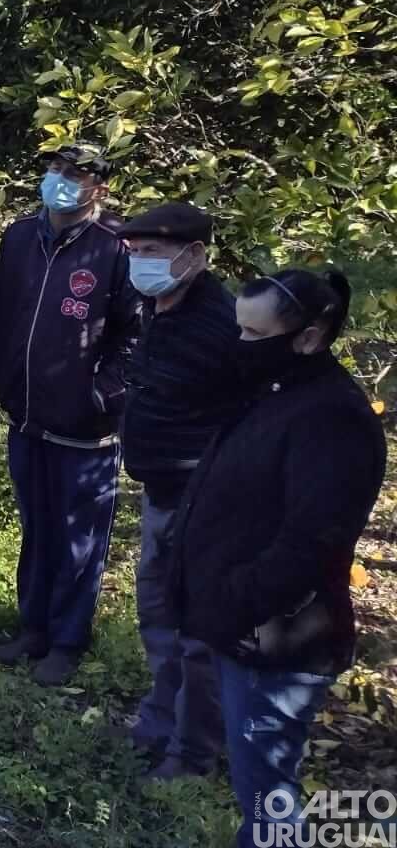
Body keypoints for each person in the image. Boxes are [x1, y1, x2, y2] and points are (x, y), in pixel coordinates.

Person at [172, 269, 383, 845]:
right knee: (258, 787)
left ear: (309, 338)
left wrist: (237, 607)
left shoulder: (332, 418)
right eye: (237, 329)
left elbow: (310, 544)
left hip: (276, 641)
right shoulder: (274, 390)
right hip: (243, 627)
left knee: (268, 797)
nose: (239, 345)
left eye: (254, 334)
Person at [0, 144, 138, 685]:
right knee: (37, 527)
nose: (61, 180)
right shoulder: (19, 237)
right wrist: (2, 373)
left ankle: (68, 640)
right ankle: (34, 627)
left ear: (99, 187)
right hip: (26, 413)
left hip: (84, 426)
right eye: (54, 168)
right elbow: (1, 311)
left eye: (75, 174)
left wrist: (99, 396)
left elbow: (135, 336)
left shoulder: (116, 246)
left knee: (79, 537)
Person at [114, 202, 238, 780]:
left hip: (204, 499)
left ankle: (192, 753)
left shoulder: (222, 324)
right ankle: (159, 723)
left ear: (195, 255)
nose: (141, 262)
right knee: (157, 613)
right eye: (136, 252)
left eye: (154, 253)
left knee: (197, 632)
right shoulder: (156, 306)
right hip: (160, 490)